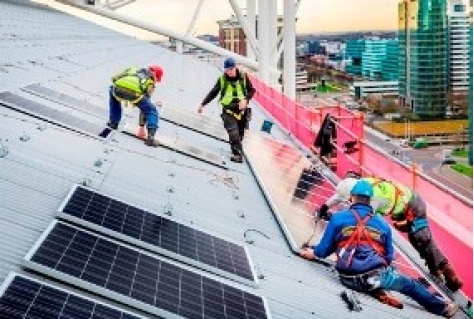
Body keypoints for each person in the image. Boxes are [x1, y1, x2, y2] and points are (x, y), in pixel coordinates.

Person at [301, 180, 459, 318]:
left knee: (368, 271)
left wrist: (311, 253)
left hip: (345, 277)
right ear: (370, 199)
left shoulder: (337, 217)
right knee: (409, 285)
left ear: (351, 197)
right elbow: (389, 257)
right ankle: (443, 308)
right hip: (373, 276)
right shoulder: (382, 224)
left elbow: (322, 251)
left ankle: (376, 289)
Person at [316, 171, 463, 292]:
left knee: (422, 240)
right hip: (401, 207)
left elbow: (361, 220)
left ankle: (452, 278)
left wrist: (335, 219)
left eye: (349, 199)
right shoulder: (361, 186)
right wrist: (325, 206)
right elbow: (341, 196)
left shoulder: (373, 199)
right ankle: (435, 272)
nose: (349, 200)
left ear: (354, 194)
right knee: (418, 241)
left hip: (413, 205)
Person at [198, 57, 255, 163]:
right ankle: (237, 155)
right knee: (233, 132)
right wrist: (202, 104)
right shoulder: (222, 79)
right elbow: (213, 92)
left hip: (241, 111)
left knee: (240, 134)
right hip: (228, 110)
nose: (228, 72)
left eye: (230, 70)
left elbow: (252, 90)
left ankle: (237, 148)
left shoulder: (243, 76)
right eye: (226, 70)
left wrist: (245, 100)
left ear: (235, 68)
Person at [107, 65, 164, 146]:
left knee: (112, 92)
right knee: (151, 110)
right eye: (157, 80)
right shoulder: (150, 81)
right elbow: (145, 109)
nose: (156, 82)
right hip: (134, 94)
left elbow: (114, 78)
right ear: (156, 75)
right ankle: (150, 138)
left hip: (117, 89)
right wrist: (141, 127)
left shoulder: (131, 69)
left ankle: (113, 123)